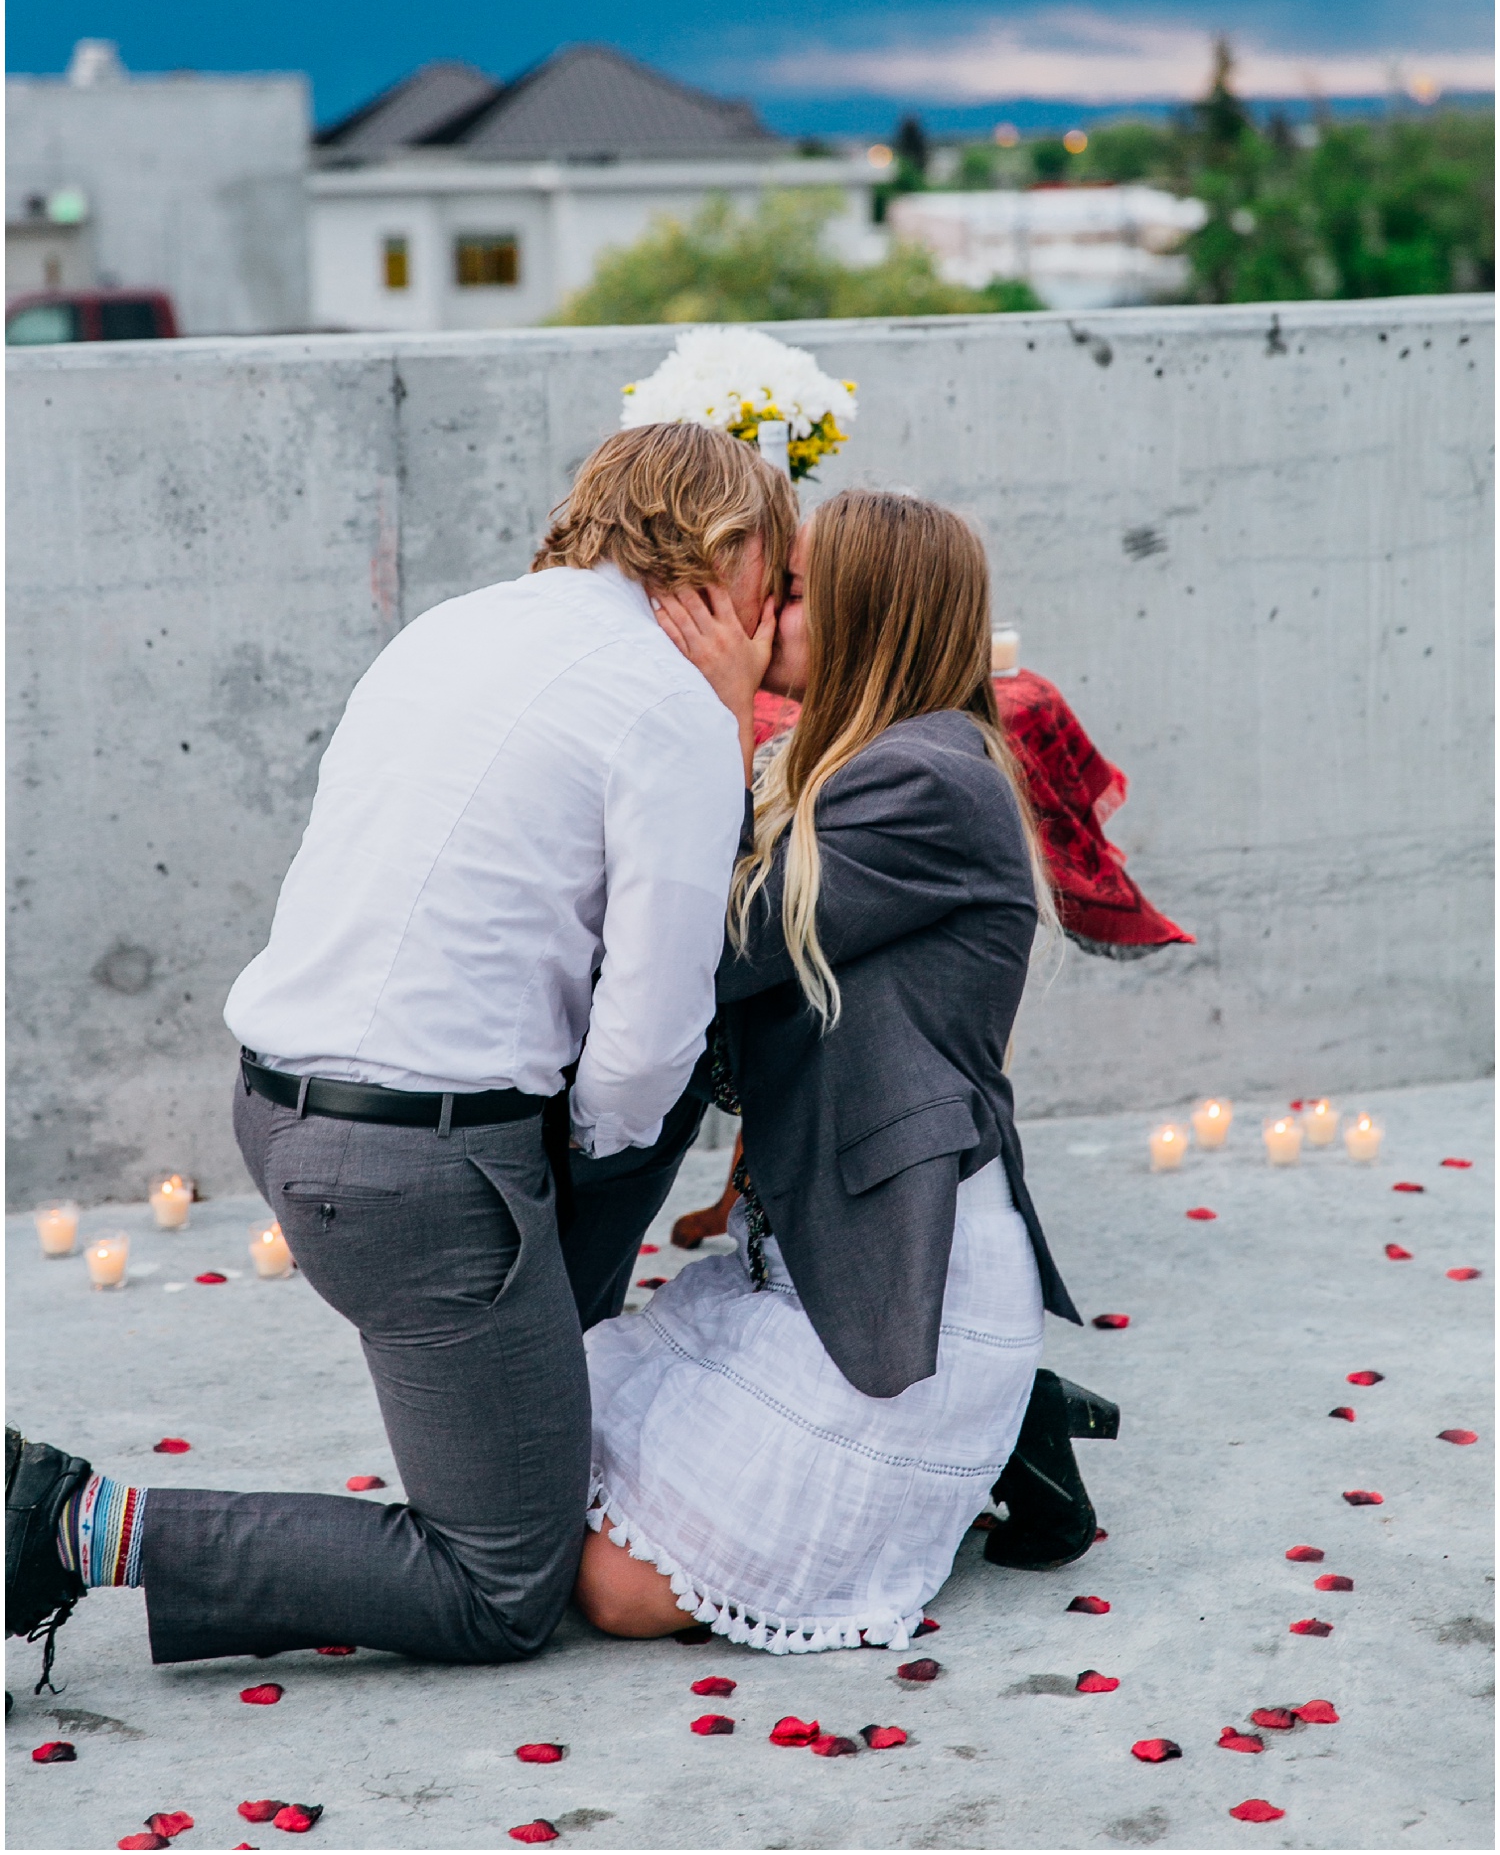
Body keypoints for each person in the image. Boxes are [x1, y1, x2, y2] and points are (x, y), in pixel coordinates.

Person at [7, 421, 795, 1688]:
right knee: (502, 1583)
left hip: (282, 1108)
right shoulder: (672, 708)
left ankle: (539, 1388)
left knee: (607, 1111)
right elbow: (650, 1038)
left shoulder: (452, 626)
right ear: (723, 549)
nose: (780, 596)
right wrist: (577, 1165)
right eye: (779, 561)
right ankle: (67, 1522)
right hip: (415, 1175)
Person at [572, 489, 1098, 1652]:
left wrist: (712, 709)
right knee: (547, 1462)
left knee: (622, 1591)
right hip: (808, 1256)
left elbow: (719, 944)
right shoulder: (832, 763)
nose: (760, 610)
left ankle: (985, 1449)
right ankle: (1019, 1437)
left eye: (793, 591)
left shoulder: (926, 779)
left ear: (872, 613)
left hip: (904, 1282)